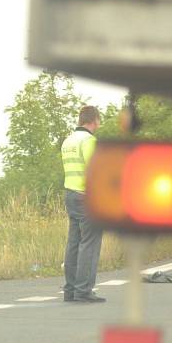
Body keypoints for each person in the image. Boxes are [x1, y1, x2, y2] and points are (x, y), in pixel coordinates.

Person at [61, 105, 104, 303]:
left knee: (74, 243)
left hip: (70, 194)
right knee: (90, 244)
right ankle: (83, 291)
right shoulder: (89, 141)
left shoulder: (68, 141)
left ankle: (70, 290)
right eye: (99, 120)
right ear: (94, 120)